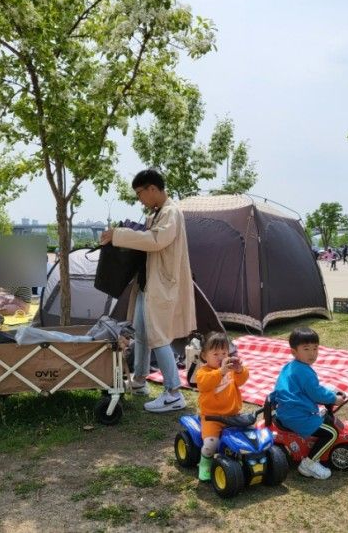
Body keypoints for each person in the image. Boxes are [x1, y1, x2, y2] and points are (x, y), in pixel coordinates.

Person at [100, 169, 196, 413]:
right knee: (142, 333)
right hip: (147, 285)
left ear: (152, 188)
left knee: (159, 336)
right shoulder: (157, 213)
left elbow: (155, 241)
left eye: (140, 193)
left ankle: (173, 393)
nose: (140, 199)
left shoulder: (171, 212)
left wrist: (118, 234)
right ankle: (140, 381)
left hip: (161, 286)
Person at [273, 327, 345, 480]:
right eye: (306, 349)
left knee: (325, 420)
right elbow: (316, 393)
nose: (312, 353)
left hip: (287, 411)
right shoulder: (305, 371)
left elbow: (311, 389)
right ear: (294, 352)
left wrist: (328, 392)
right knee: (332, 433)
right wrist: (334, 398)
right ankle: (309, 463)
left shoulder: (290, 366)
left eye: (315, 348)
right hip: (297, 416)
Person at [195, 332, 249, 481]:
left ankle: (243, 460)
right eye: (216, 354)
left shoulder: (230, 371)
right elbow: (205, 383)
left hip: (233, 415)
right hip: (212, 417)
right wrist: (221, 371)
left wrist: (239, 370)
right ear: (205, 356)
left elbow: (242, 380)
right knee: (211, 444)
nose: (221, 357)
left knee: (248, 436)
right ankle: (205, 463)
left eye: (224, 353)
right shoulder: (202, 372)